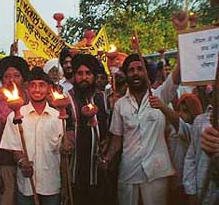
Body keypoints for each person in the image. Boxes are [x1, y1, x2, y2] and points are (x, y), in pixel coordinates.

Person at [102, 53, 180, 205]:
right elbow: (117, 139)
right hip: (129, 170)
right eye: (131, 70)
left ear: (146, 72)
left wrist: (182, 35)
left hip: (156, 171)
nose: (135, 73)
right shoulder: (120, 105)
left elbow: (176, 77)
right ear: (126, 75)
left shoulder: (160, 96)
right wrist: (106, 159)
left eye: (139, 69)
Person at [0, 67, 63, 205]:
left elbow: (63, 151)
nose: (37, 90)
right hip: (27, 185)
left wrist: (67, 146)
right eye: (33, 85)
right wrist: (22, 162)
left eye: (42, 85)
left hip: (51, 184)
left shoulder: (59, 117)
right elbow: (14, 148)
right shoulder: (15, 115)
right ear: (27, 88)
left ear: (49, 88)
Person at [0, 56, 29, 205]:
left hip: (30, 166)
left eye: (16, 76)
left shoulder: (32, 100)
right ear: (1, 79)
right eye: (7, 76)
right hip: (5, 166)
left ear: (23, 79)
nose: (12, 80)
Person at [66, 53, 109, 205]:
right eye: (79, 73)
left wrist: (107, 143)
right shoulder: (67, 99)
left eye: (88, 73)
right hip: (76, 170)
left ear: (94, 76)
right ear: (74, 75)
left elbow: (111, 128)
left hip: (100, 169)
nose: (84, 77)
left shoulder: (103, 98)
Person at [149, 93, 203, 205]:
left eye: (185, 111)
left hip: (186, 185)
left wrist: (162, 106)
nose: (180, 114)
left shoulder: (192, 130)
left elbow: (177, 122)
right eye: (179, 110)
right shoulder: (173, 129)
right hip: (172, 180)